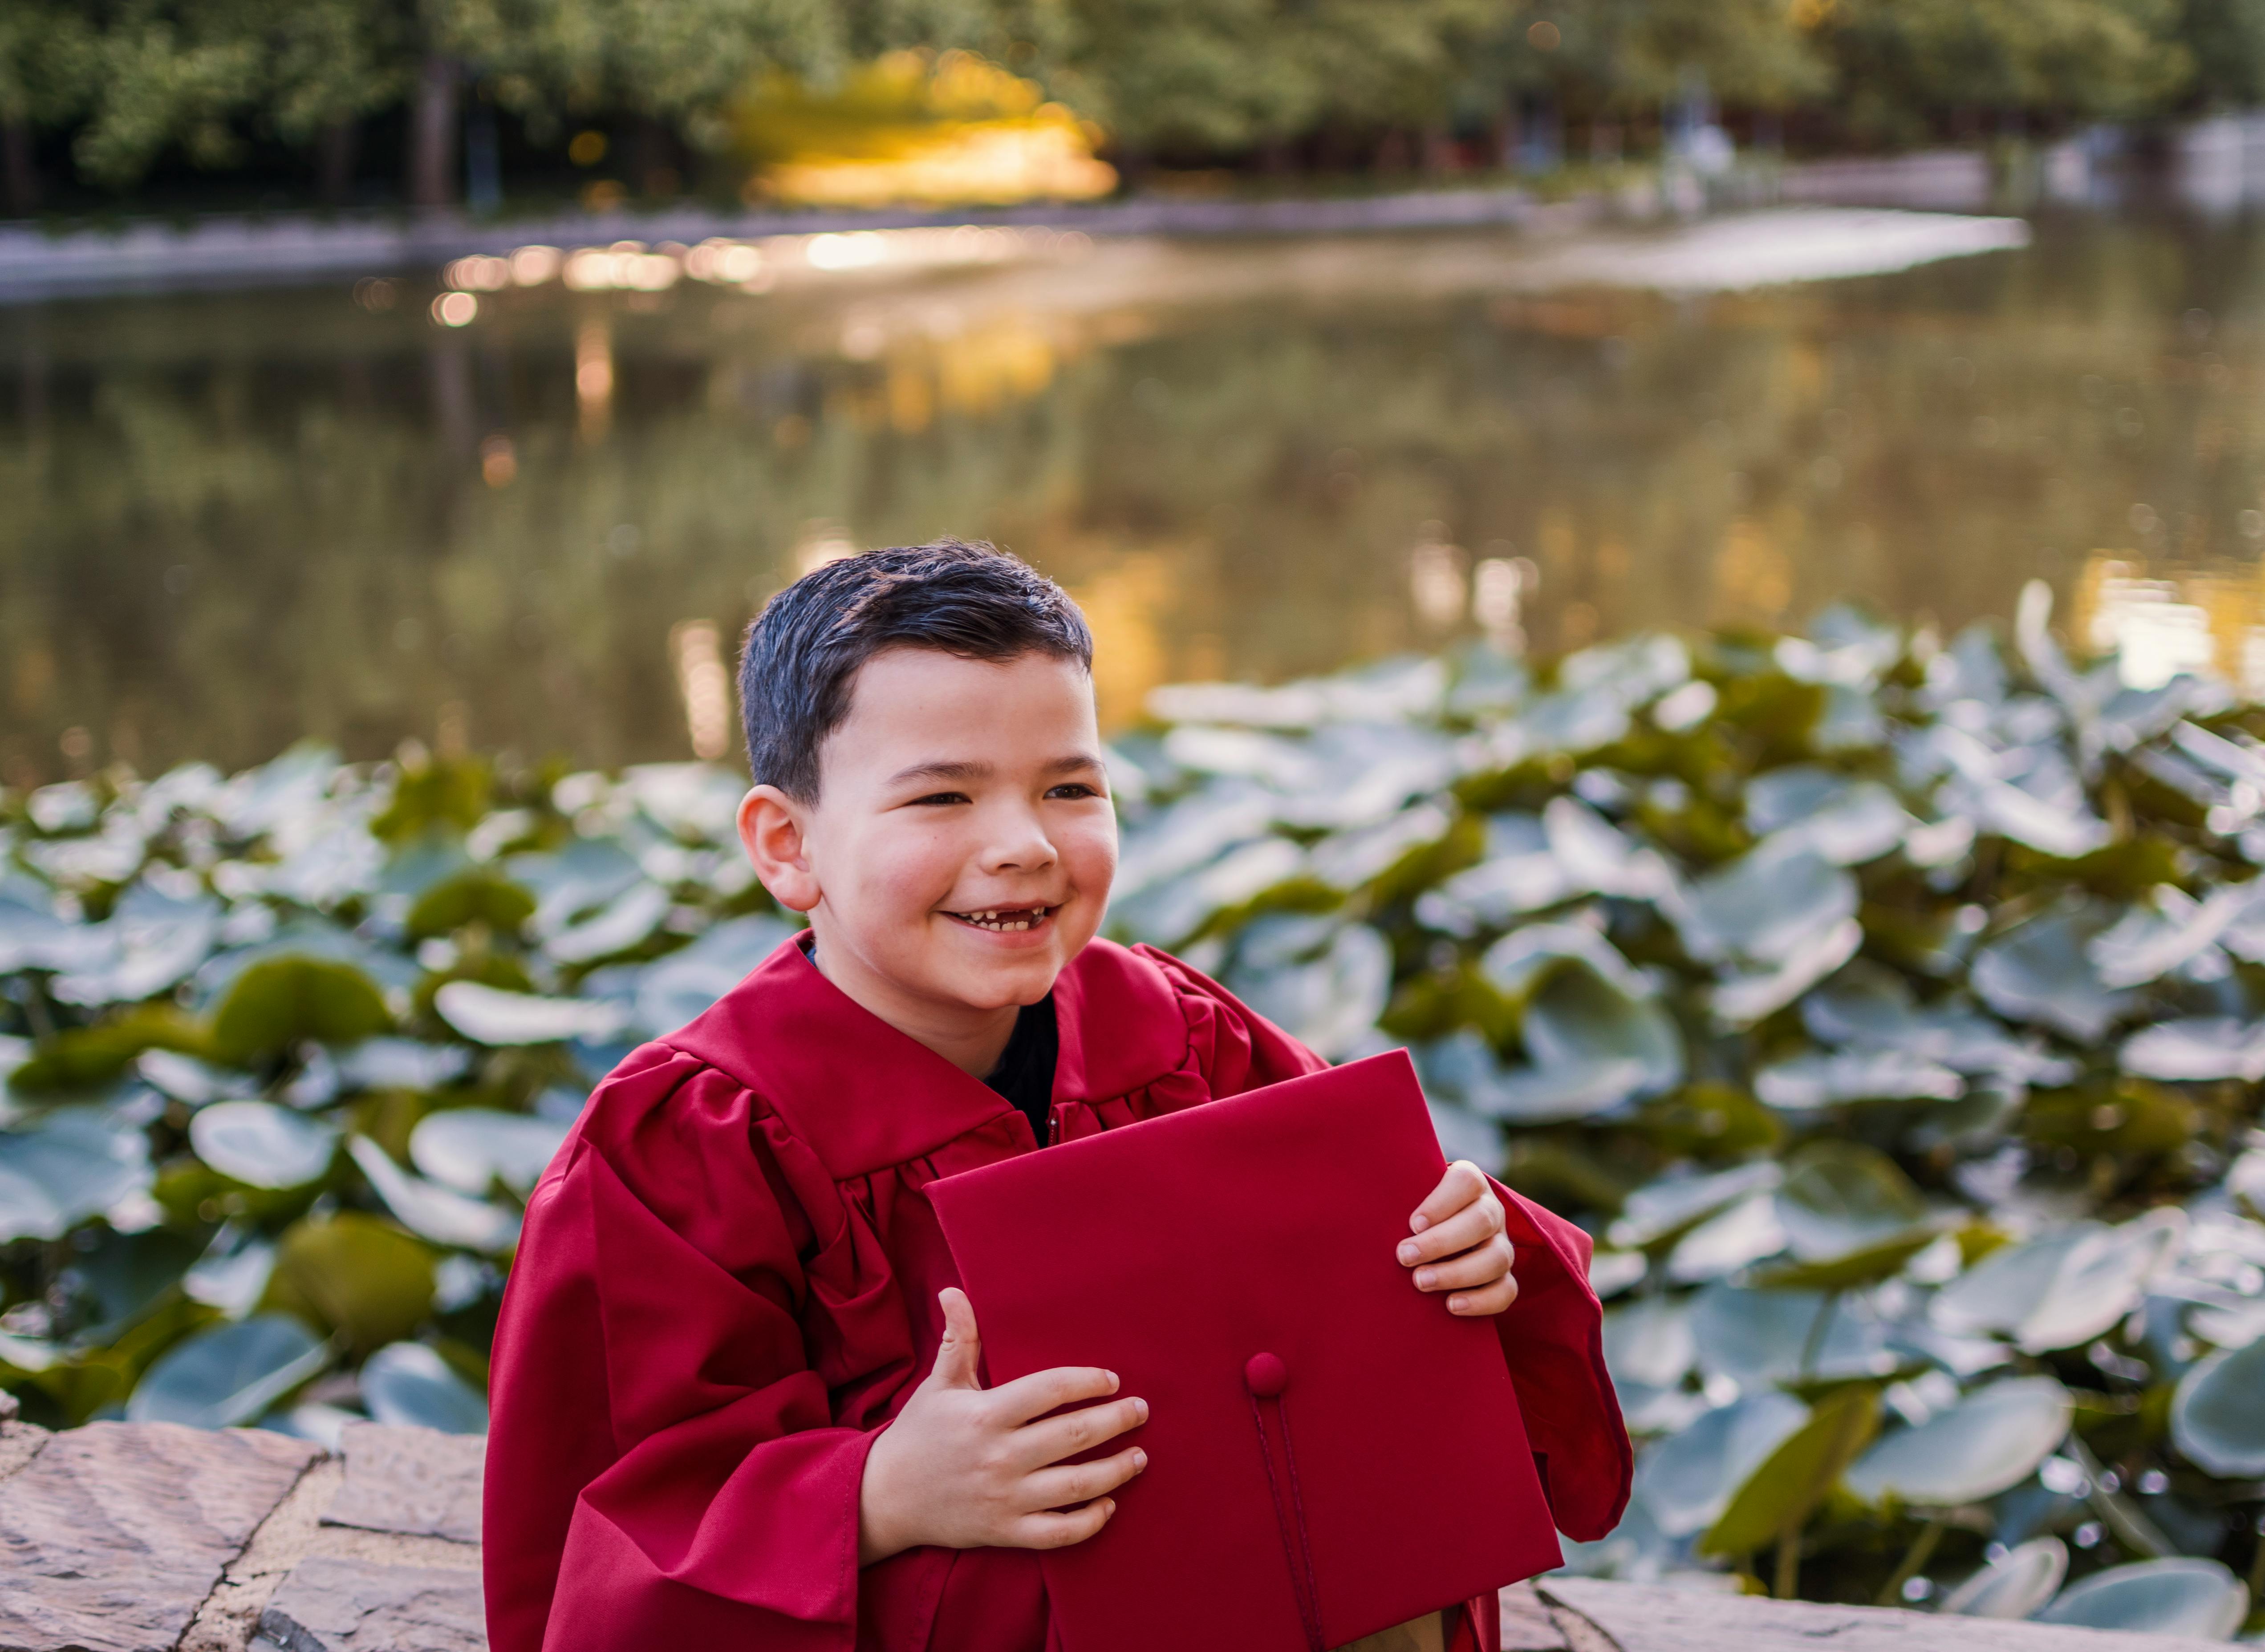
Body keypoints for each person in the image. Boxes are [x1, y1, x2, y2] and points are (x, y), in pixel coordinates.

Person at [483, 540, 1629, 1652]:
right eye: (942, 800)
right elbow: (606, 1556)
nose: (1026, 845)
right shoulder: (687, 1146)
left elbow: (1379, 1315)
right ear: (789, 845)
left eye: (1069, 787)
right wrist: (879, 1492)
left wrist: (1479, 1252)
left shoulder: (1180, 1038)